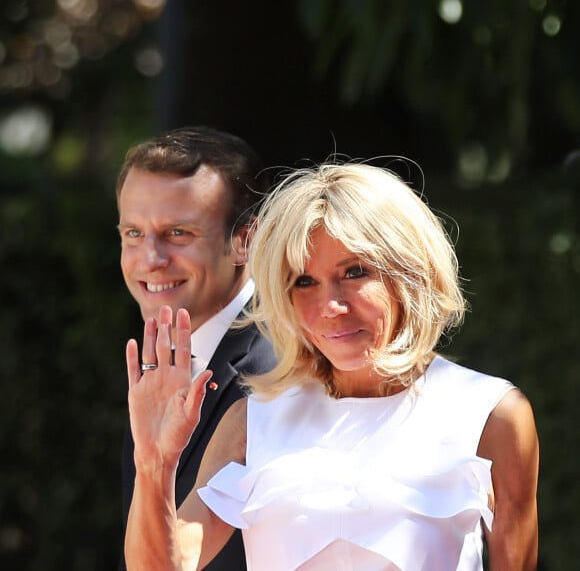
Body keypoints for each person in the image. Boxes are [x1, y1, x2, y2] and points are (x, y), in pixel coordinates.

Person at [123, 162, 539, 570]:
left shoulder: (491, 413)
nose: (331, 306)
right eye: (304, 281)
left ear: (411, 273)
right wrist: (154, 466)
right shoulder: (249, 422)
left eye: (355, 272)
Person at [116, 126, 277, 570]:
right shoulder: (158, 359)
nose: (150, 259)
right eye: (133, 233)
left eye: (178, 233)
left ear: (246, 240)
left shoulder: (281, 369)